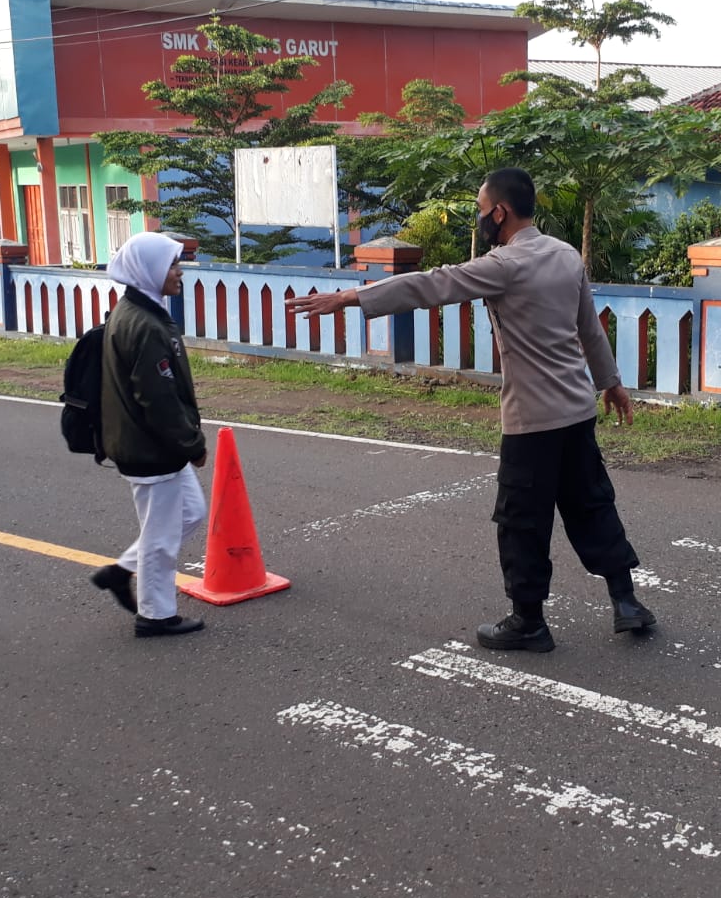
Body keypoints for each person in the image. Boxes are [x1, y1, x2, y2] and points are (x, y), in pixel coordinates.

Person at [285, 167, 653, 653]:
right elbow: (590, 328)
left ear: (499, 212)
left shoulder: (504, 264)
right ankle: (626, 603)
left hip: (531, 420)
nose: (479, 220)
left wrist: (352, 296)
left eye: (481, 211)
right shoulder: (566, 255)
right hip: (577, 412)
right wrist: (611, 384)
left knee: (521, 520)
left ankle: (529, 623)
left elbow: (432, 285)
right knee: (592, 503)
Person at [90, 231, 210, 637]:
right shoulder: (144, 324)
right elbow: (158, 400)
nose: (179, 273)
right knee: (160, 536)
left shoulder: (141, 311)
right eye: (173, 265)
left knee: (192, 513)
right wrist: (192, 444)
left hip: (151, 444)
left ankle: (121, 570)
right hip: (150, 449)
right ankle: (155, 615)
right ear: (150, 270)